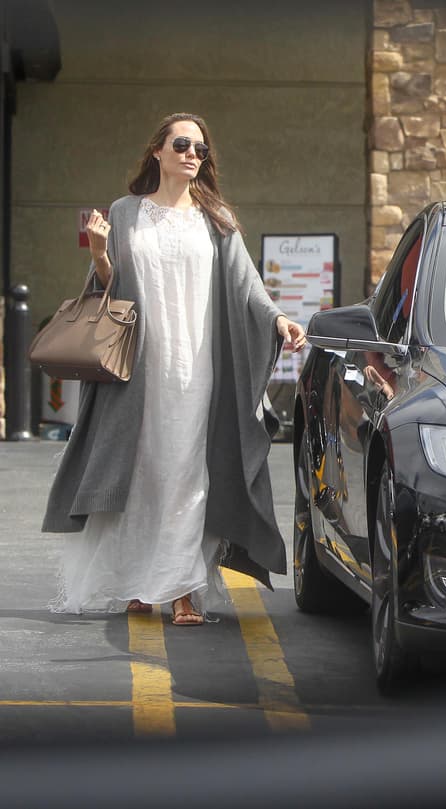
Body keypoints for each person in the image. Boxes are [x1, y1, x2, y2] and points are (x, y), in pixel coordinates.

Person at [44, 112, 307, 626]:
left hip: (198, 367)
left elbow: (246, 284)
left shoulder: (217, 218)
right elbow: (106, 288)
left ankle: (183, 587)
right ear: (157, 153)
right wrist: (99, 253)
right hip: (139, 367)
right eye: (182, 144)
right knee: (141, 470)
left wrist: (277, 318)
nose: (192, 154)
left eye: (201, 149)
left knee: (189, 473)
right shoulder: (124, 213)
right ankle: (140, 584)